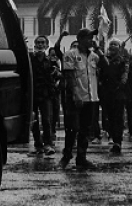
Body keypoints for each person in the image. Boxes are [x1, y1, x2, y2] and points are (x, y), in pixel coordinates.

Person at [59, 28, 101, 169]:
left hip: (90, 98)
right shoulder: (70, 54)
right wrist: (76, 94)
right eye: (88, 38)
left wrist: (99, 49)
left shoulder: (94, 56)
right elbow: (69, 76)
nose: (91, 40)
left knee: (85, 129)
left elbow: (105, 66)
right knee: (72, 128)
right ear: (81, 39)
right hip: (76, 98)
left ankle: (81, 158)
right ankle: (66, 156)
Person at [98, 38, 129, 154]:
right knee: (109, 118)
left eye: (115, 44)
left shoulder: (123, 60)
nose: (112, 46)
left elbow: (125, 75)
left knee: (118, 118)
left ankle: (118, 141)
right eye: (111, 44)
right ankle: (112, 136)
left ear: (119, 47)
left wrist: (120, 86)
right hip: (106, 93)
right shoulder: (104, 59)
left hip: (118, 93)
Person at [29, 35, 58, 155]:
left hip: (45, 95)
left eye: (42, 43)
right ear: (35, 45)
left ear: (46, 45)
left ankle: (48, 144)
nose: (40, 45)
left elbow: (54, 77)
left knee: (46, 120)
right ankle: (38, 144)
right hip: (33, 94)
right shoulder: (31, 59)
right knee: (34, 121)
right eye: (38, 43)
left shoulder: (50, 61)